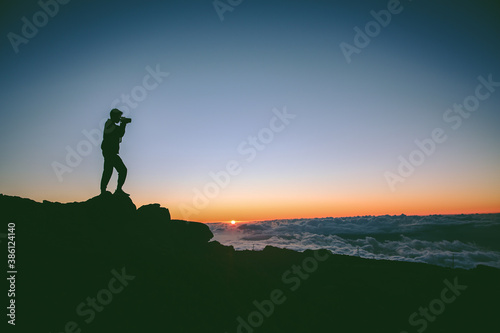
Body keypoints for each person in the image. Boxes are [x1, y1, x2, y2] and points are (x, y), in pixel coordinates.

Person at [100, 108, 130, 196]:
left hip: (110, 152)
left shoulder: (111, 125)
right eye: (118, 116)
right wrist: (123, 123)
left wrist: (123, 123)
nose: (119, 118)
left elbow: (120, 133)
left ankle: (107, 191)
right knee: (120, 170)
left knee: (108, 171)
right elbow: (120, 133)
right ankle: (115, 190)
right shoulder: (109, 124)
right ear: (114, 116)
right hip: (109, 152)